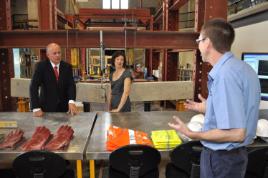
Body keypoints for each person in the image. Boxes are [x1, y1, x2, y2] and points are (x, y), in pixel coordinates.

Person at [168, 18, 261, 178]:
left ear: (207, 42)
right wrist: (207, 108)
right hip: (235, 156)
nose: (198, 45)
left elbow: (236, 133)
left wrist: (193, 134)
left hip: (222, 159)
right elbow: (240, 108)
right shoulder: (244, 69)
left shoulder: (224, 75)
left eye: (199, 40)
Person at [30, 43, 78, 117]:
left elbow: (71, 85)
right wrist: (35, 107)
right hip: (46, 108)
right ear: (48, 55)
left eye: (59, 53)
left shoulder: (67, 67)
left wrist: (71, 101)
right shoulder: (41, 67)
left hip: (64, 108)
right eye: (54, 53)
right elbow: (33, 87)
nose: (57, 55)